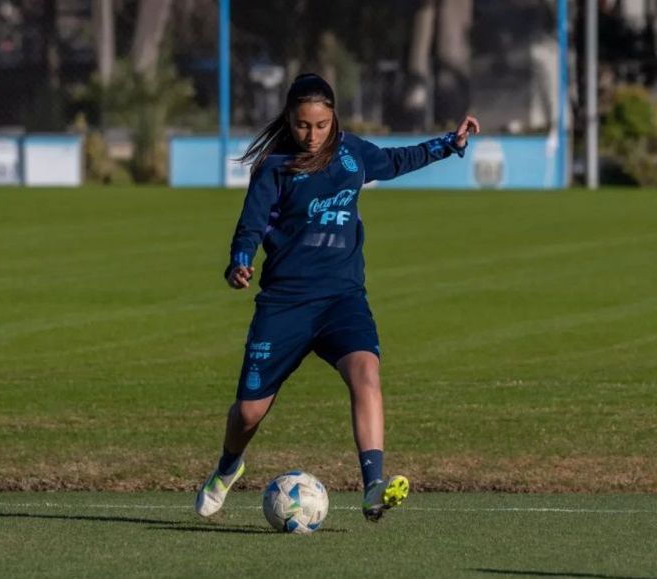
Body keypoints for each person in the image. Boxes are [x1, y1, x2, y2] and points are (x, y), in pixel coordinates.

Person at [195, 73, 480, 522]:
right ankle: (228, 467)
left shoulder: (352, 153)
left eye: (322, 125)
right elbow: (250, 224)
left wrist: (450, 142)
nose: (313, 135)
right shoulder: (274, 166)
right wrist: (239, 262)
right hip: (285, 303)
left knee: (366, 373)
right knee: (248, 413)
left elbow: (397, 159)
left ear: (334, 120)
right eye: (304, 125)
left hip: (342, 299)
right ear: (289, 119)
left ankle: (373, 487)